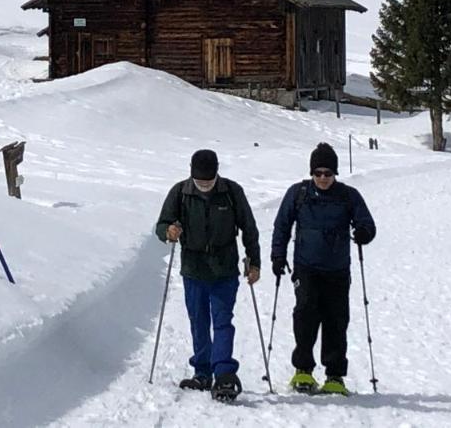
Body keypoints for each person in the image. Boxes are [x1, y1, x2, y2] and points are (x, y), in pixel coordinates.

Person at [270, 142, 375, 396]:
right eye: (318, 173)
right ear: (311, 173)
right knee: (305, 315)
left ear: (335, 173)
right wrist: (277, 255)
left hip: (337, 270)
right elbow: (282, 225)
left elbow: (367, 223)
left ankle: (335, 375)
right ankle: (303, 371)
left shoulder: (348, 196)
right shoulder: (299, 193)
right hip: (306, 267)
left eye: (328, 173)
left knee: (336, 320)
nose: (323, 178)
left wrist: (363, 232)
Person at [155, 148, 260, 402]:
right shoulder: (180, 192)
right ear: (192, 174)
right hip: (193, 269)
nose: (204, 185)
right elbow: (161, 225)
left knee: (222, 320)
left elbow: (249, 228)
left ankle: (223, 373)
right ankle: (202, 372)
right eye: (200, 181)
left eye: (209, 181)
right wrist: (168, 231)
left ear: (217, 173)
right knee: (198, 321)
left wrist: (254, 262)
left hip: (224, 269)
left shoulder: (232, 192)